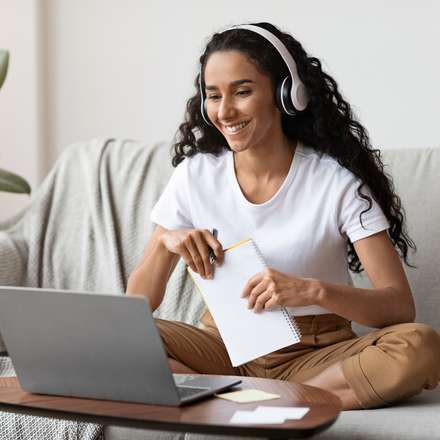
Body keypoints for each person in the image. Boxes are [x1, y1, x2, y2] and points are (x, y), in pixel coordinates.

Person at [127, 22, 440, 410]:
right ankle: (268, 400)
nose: (225, 111)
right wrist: (165, 242)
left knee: (419, 345)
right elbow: (136, 305)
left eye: (242, 92)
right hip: (222, 347)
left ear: (285, 95)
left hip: (314, 354)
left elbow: (398, 307)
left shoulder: (335, 183)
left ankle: (243, 401)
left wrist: (312, 291)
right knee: (116, 338)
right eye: (213, 96)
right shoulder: (195, 174)